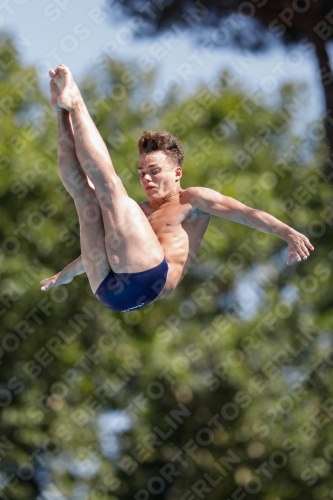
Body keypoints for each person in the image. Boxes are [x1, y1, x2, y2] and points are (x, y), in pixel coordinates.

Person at [40, 64, 314, 312]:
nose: (146, 179)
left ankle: (76, 103)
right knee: (84, 194)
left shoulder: (192, 201)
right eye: (142, 173)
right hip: (108, 292)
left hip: (150, 279)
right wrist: (62, 275)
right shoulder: (138, 214)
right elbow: (95, 253)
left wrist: (286, 232)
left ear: (177, 173)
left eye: (155, 171)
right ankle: (62, 112)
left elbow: (246, 213)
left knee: (110, 188)